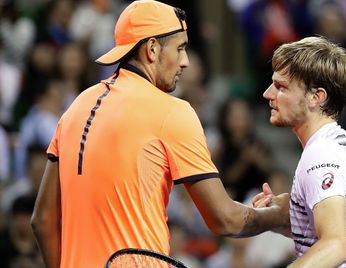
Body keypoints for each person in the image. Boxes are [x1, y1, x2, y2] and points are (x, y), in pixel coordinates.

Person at [30, 1, 290, 268]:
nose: (185, 61)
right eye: (180, 48)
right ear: (152, 49)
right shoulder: (172, 112)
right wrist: (279, 216)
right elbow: (226, 219)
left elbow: (43, 220)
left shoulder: (76, 107)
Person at [252, 36, 346, 267]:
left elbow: (335, 246)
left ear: (316, 97)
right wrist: (293, 216)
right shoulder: (341, 146)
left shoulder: (322, 154)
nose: (268, 94)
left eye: (281, 87)